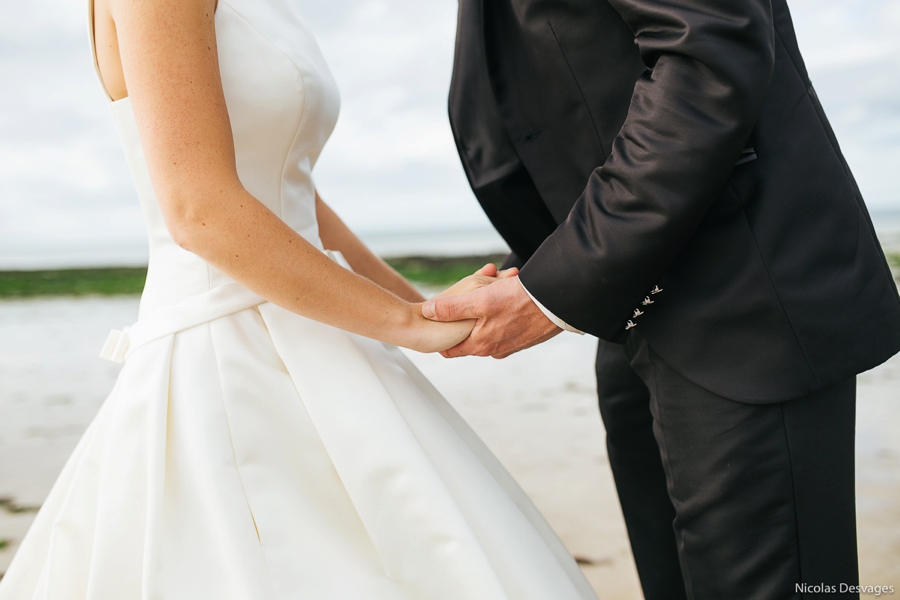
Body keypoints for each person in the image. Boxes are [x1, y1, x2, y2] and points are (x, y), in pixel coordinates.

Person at [0, 0, 601, 598]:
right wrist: (403, 325)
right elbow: (199, 209)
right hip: (224, 352)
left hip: (324, 336)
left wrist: (421, 308)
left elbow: (295, 200)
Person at [431, 0, 900, 598]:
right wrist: (556, 273)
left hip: (743, 305)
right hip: (628, 310)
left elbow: (707, 49)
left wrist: (555, 289)